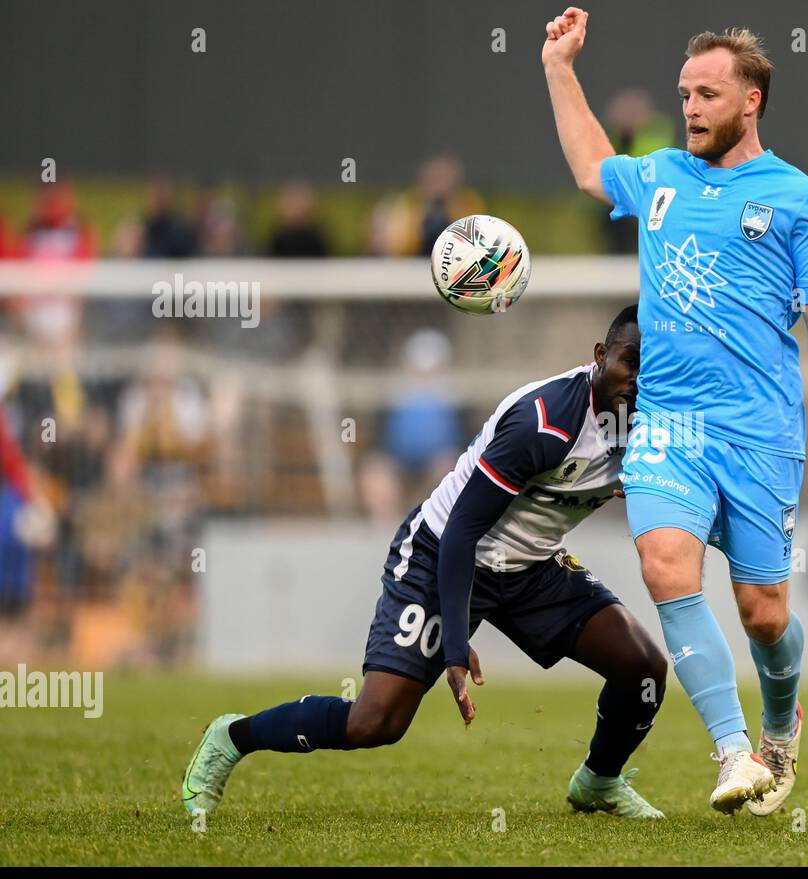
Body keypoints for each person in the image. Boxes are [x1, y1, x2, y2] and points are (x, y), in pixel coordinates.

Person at [542, 10, 808, 814]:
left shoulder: (799, 199)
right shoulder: (659, 174)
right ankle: (733, 755)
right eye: (684, 93)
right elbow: (594, 169)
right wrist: (559, 67)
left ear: (751, 101)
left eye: (708, 94)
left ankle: (779, 726)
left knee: (764, 615)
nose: (691, 107)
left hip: (760, 433)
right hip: (668, 426)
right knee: (665, 567)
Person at [181, 307, 669, 819]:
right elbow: (462, 529)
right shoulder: (542, 421)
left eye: (652, 369)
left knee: (644, 668)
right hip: (442, 553)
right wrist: (456, 646)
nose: (637, 381)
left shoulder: (657, 423)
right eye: (628, 363)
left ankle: (598, 781)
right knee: (375, 723)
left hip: (532, 567)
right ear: (599, 357)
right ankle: (233, 736)